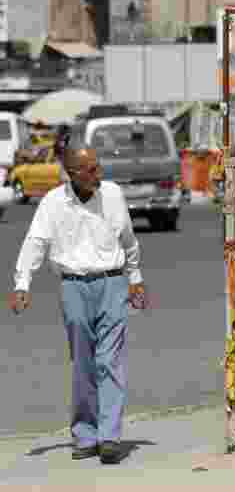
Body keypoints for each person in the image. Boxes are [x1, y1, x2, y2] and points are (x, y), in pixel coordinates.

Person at [9, 143, 149, 465]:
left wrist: (135, 277)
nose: (99, 175)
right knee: (83, 362)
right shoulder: (53, 203)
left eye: (99, 167)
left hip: (113, 283)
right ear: (72, 174)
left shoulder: (112, 195)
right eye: (91, 170)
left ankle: (109, 436)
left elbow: (128, 239)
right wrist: (22, 284)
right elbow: (36, 243)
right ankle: (86, 435)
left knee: (109, 360)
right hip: (73, 287)